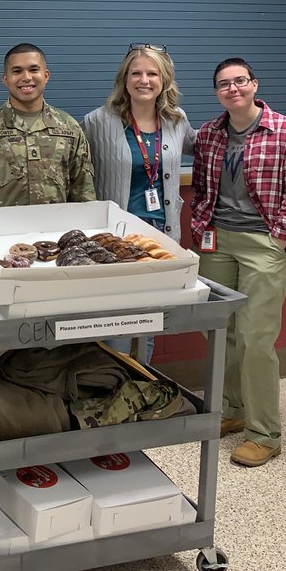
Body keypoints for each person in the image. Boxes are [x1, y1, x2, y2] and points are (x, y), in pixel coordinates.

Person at [191, 57, 286, 467]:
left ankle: (265, 433)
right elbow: (203, 186)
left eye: (240, 81)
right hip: (218, 242)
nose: (233, 89)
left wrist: (279, 235)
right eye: (224, 84)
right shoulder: (210, 133)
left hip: (264, 242)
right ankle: (232, 410)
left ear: (254, 84)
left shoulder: (285, 131)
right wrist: (200, 226)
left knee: (256, 337)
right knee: (222, 331)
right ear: (217, 92)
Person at [83, 45, 196, 363]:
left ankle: (140, 389)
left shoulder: (176, 120)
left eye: (152, 73)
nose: (143, 80)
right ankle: (109, 390)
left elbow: (205, 146)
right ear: (124, 78)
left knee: (150, 317)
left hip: (161, 233)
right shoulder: (97, 122)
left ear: (164, 79)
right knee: (114, 318)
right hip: (115, 238)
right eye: (136, 73)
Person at [0, 42, 95, 209]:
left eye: (34, 70)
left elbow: (84, 195)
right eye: (17, 71)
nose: (26, 77)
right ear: (5, 79)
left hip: (55, 232)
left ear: (46, 75)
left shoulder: (69, 129)